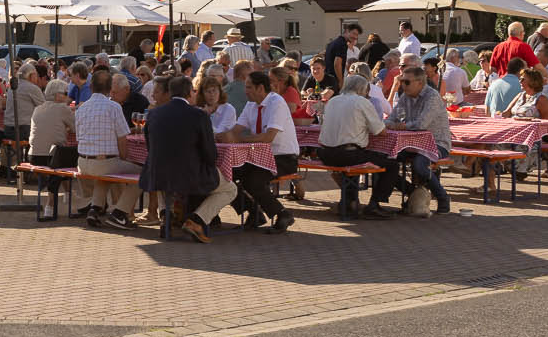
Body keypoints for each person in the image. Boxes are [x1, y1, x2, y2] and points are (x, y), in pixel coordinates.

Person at [142, 74, 223, 241]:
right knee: (231, 189)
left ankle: (166, 214)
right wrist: (210, 165)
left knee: (164, 177)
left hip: (158, 173)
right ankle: (197, 219)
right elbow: (209, 152)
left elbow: (150, 147)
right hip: (190, 175)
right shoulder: (199, 115)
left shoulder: (154, 114)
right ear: (189, 93)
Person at [222, 68, 298, 232]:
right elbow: (236, 130)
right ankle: (253, 212)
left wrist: (237, 139)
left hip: (283, 157)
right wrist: (217, 136)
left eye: (249, 87)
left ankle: (282, 214)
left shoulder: (276, 102)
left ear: (260, 88)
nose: (245, 91)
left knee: (253, 181)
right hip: (258, 157)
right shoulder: (251, 105)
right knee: (225, 175)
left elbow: (268, 137)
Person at [315, 71, 398, 217]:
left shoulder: (333, 101)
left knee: (359, 155)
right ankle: (374, 204)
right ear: (362, 89)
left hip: (325, 153)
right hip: (347, 154)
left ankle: (348, 201)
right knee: (391, 165)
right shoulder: (361, 102)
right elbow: (381, 131)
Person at [386, 64, 453, 213]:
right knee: (384, 162)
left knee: (420, 165)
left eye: (407, 82)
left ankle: (442, 197)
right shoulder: (405, 97)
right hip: (410, 144)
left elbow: (422, 124)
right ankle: (412, 192)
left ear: (420, 82)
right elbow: (391, 119)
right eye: (402, 81)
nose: (403, 85)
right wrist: (391, 125)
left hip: (437, 143)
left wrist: (401, 126)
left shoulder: (432, 96)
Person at [71, 73, 135, 221]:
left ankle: (96, 207)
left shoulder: (81, 109)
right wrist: (123, 159)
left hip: (82, 163)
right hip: (104, 163)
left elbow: (78, 138)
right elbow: (122, 139)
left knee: (105, 171)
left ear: (91, 87)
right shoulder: (114, 107)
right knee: (144, 175)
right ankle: (120, 212)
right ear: (109, 89)